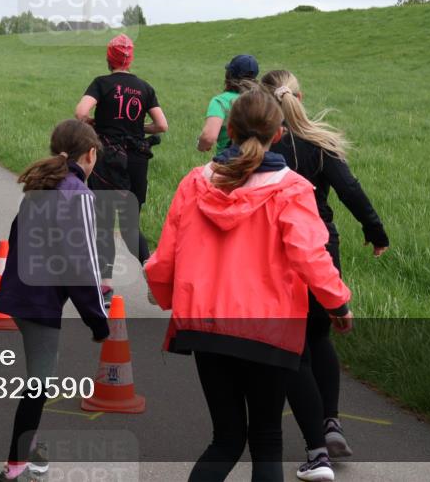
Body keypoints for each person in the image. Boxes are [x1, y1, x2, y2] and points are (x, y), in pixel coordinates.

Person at [145, 87, 353, 482]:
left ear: (229, 129)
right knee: (266, 441)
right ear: (279, 134)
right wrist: (337, 303)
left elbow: (167, 255)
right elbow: (310, 254)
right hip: (269, 329)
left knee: (225, 440)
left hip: (204, 325)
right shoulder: (291, 188)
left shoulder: (195, 182)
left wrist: (165, 295)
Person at [261, 70, 389, 475]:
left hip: (275, 248)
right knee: (319, 336)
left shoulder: (262, 145)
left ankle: (312, 444)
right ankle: (331, 421)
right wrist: (375, 230)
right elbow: (350, 189)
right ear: (300, 95)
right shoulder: (320, 143)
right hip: (321, 245)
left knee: (293, 346)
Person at [0, 119, 109, 482]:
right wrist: (98, 320)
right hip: (39, 301)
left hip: (22, 292)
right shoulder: (80, 195)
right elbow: (84, 265)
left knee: (40, 378)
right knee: (39, 383)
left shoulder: (39, 187)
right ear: (90, 155)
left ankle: (32, 450)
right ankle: (15, 467)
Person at [74, 34, 167, 308]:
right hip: (137, 159)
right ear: (131, 58)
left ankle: (104, 290)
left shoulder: (102, 83)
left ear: (109, 58)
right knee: (129, 224)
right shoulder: (144, 87)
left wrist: (94, 122)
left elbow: (80, 112)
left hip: (107, 158)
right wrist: (141, 128)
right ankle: (151, 270)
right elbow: (162, 125)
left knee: (103, 224)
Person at [197, 54, 260, 154]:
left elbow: (208, 137)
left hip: (228, 162)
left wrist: (201, 145)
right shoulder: (264, 100)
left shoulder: (220, 101)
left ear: (229, 74)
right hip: (259, 160)